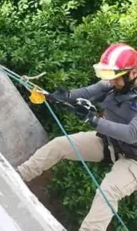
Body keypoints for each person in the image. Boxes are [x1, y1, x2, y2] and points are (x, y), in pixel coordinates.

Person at [18, 43, 137, 231]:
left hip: (134, 159)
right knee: (60, 145)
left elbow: (131, 134)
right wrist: (58, 96)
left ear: (132, 74)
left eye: (116, 78)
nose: (111, 82)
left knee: (108, 192)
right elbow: (88, 93)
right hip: (111, 143)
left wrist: (92, 119)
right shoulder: (114, 85)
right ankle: (18, 177)